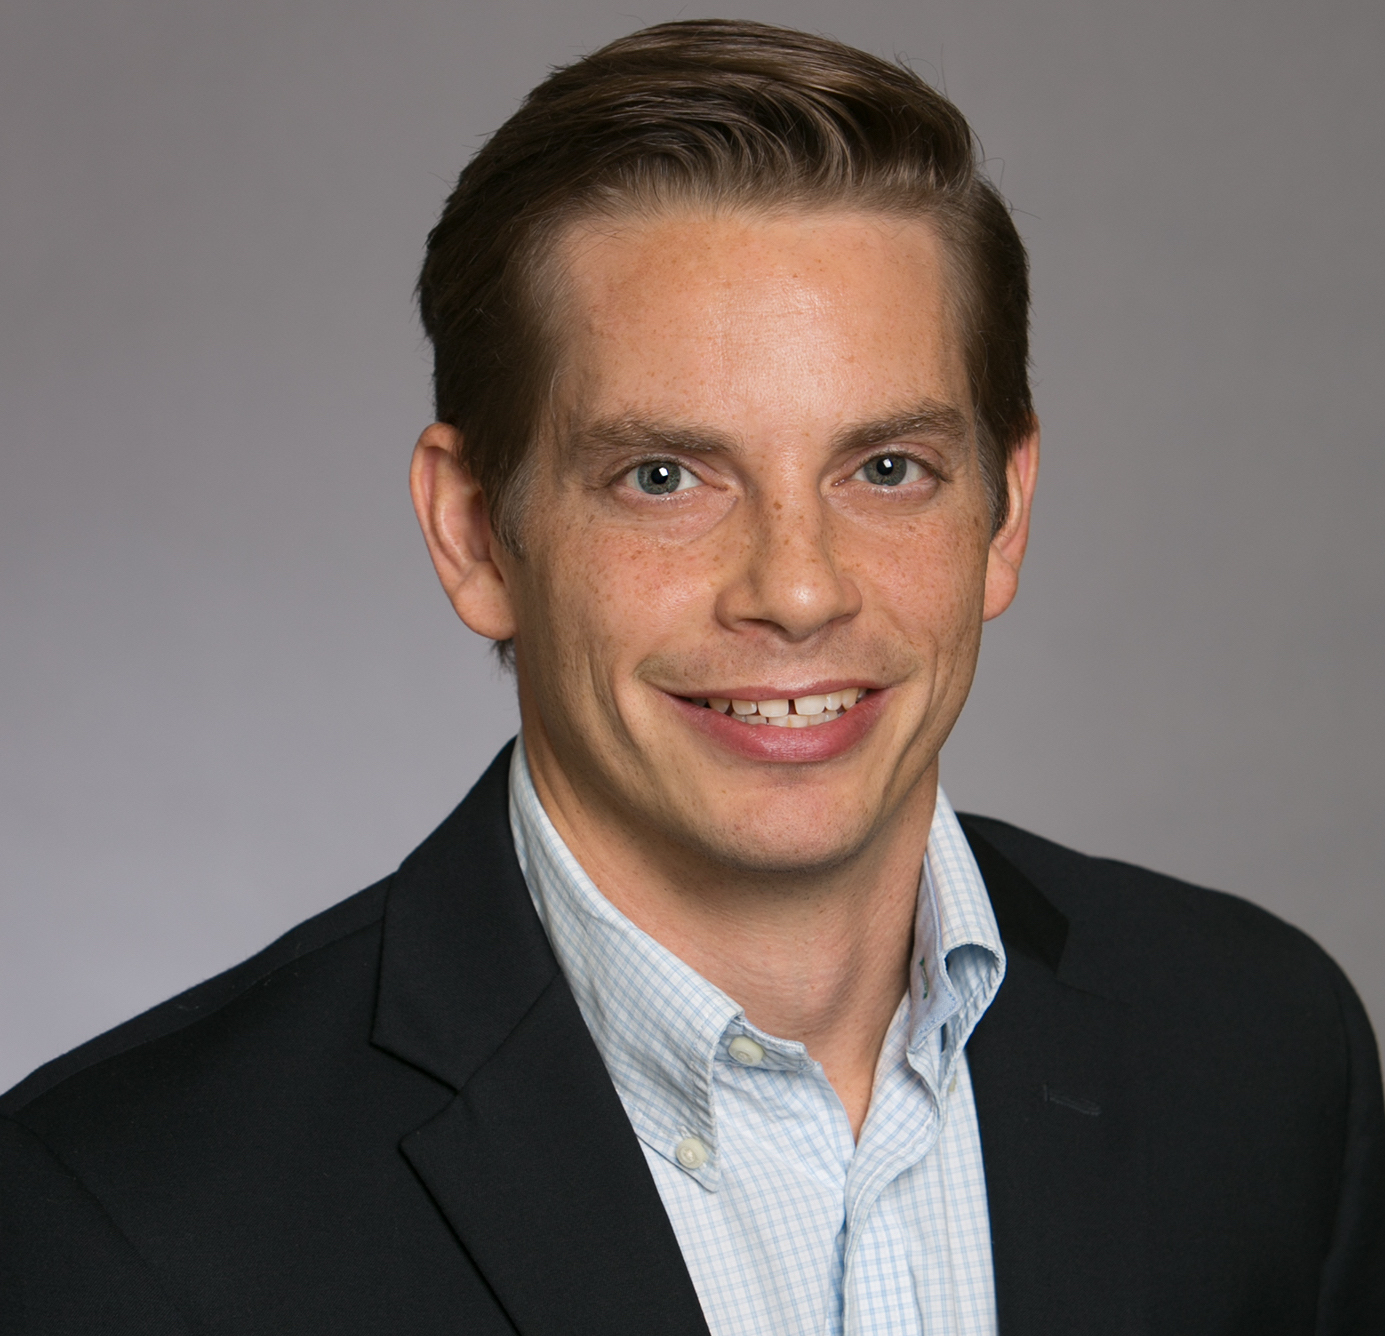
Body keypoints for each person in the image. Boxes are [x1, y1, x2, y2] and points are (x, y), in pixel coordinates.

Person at [1, 18, 1380, 1335]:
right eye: (663, 477)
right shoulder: (121, 1215)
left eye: (885, 469)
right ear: (475, 532)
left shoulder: (1259, 1054)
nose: (795, 588)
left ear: (1002, 516)